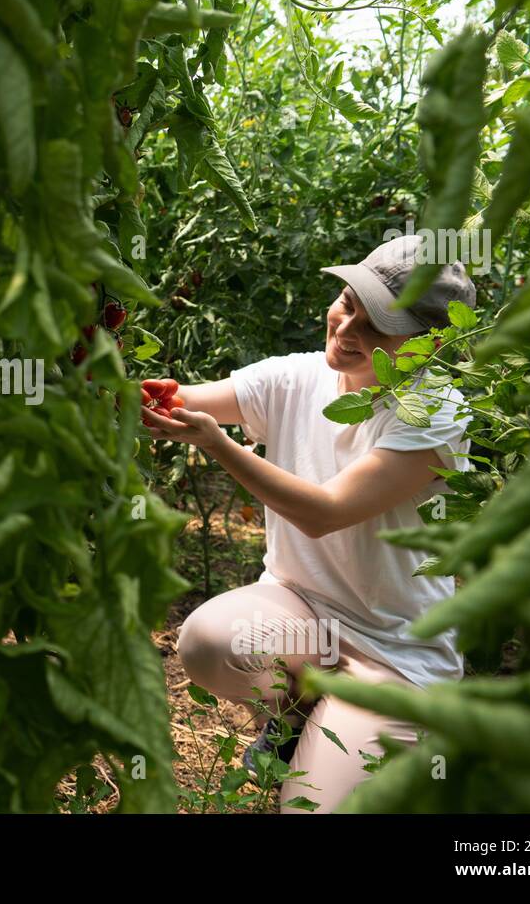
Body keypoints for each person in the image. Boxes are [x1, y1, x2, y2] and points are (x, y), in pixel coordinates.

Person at [144, 234, 478, 813]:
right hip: (302, 616)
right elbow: (181, 402)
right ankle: (296, 718)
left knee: (313, 808)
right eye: (348, 304)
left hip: (393, 658)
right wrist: (104, 389)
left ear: (432, 344)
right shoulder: (296, 377)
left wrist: (217, 445)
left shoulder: (436, 413)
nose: (348, 331)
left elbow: (323, 512)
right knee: (207, 641)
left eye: (378, 327)